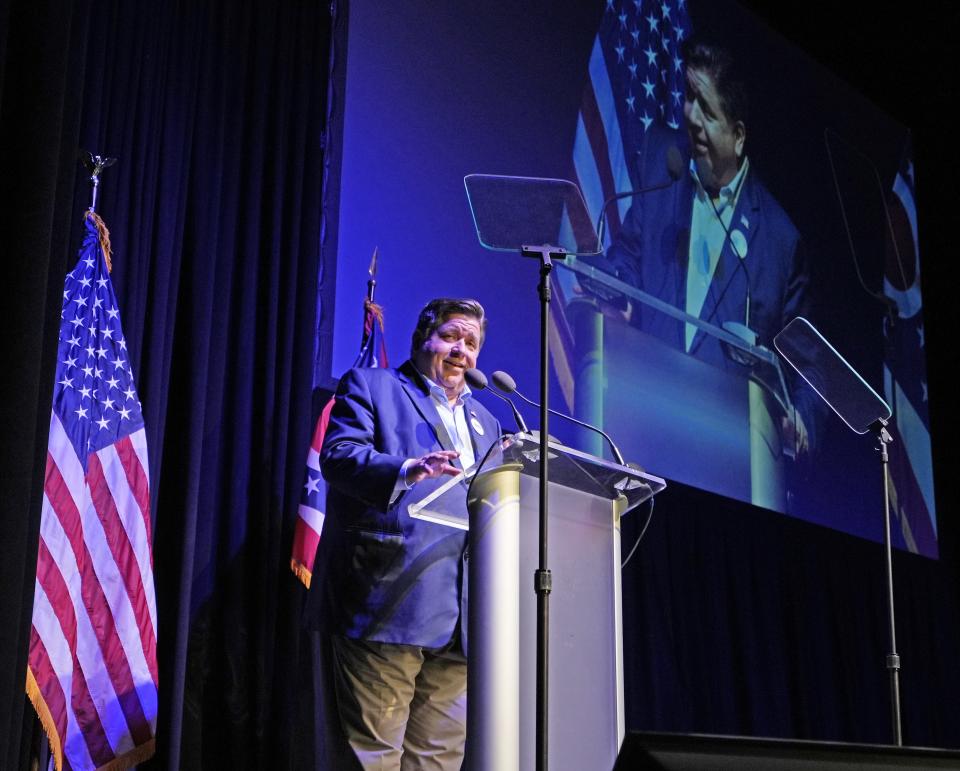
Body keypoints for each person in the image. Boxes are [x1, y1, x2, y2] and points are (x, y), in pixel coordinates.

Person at [310, 297, 501, 771]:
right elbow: (338, 457)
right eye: (452, 336)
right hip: (389, 602)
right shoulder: (373, 387)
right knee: (372, 761)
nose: (462, 351)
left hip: (461, 618)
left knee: (436, 762)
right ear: (424, 338)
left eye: (472, 343)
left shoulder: (489, 423)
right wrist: (407, 468)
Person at [602, 37, 816, 453]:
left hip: (728, 443)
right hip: (642, 415)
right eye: (688, 98)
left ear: (738, 136)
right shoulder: (663, 164)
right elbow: (627, 257)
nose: (691, 118)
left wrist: (801, 417)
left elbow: (803, 363)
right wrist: (615, 289)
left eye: (706, 108)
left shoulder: (780, 240)